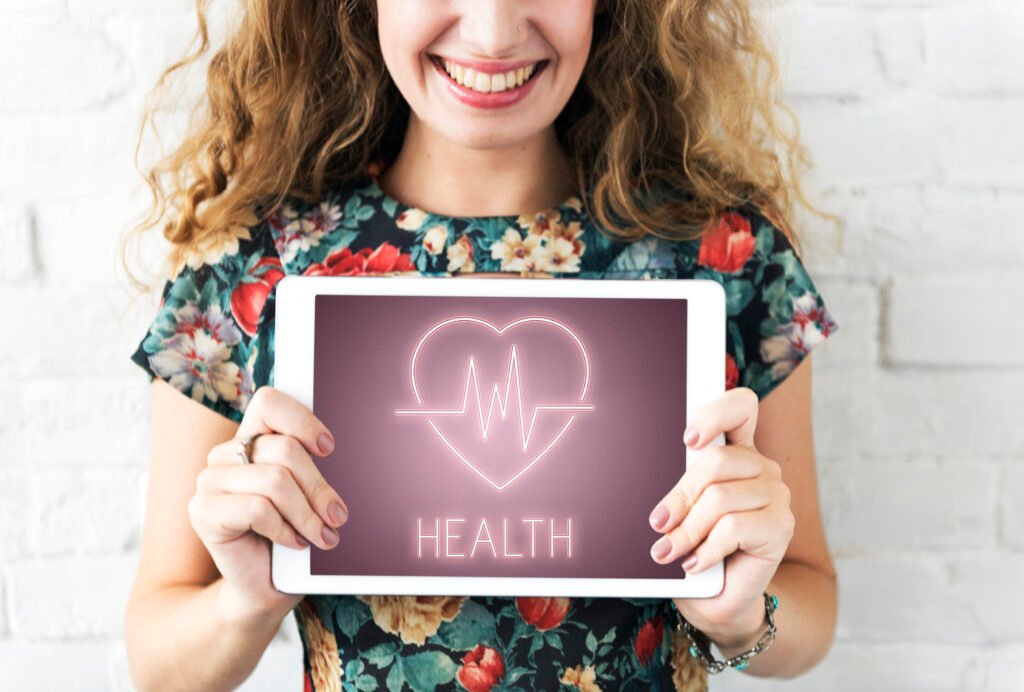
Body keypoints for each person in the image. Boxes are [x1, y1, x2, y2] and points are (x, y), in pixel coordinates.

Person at [121, 1, 840, 690]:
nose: (493, 32)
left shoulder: (731, 257)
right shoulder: (251, 268)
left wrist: (740, 613)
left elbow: (811, 609)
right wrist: (244, 602)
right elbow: (158, 662)